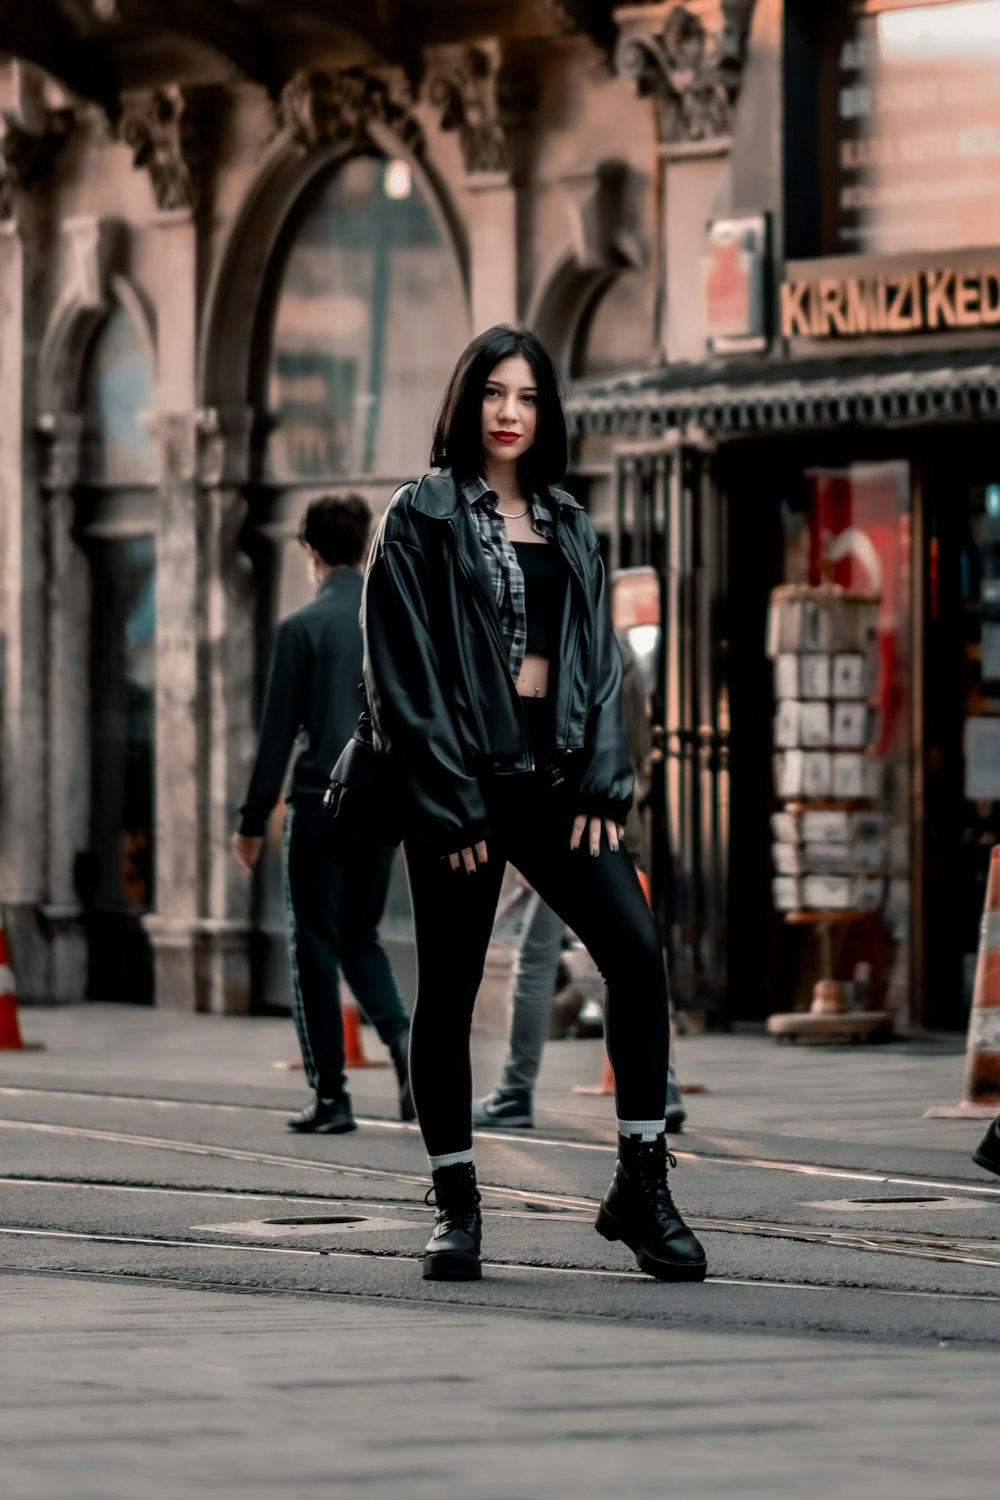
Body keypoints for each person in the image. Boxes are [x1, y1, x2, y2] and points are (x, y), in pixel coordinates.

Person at [356, 325, 706, 1283]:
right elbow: (402, 673)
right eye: (494, 394)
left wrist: (606, 773)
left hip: (555, 785)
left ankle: (642, 1186)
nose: (510, 413)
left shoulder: (568, 522)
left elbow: (597, 665)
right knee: (452, 988)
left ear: (546, 413)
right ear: (466, 402)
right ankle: (456, 1204)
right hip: (464, 787)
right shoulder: (419, 519)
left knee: (635, 952)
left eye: (529, 398)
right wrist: (448, 797)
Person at [232, 494, 413, 1134]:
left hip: (317, 806)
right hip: (383, 808)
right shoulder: (391, 620)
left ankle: (332, 1097)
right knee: (360, 935)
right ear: (367, 547)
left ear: (310, 552)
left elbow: (278, 734)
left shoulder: (300, 628)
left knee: (314, 947)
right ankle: (402, 1042)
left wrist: (252, 821)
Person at [472, 641, 688, 1134]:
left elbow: (531, 735)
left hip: (568, 825)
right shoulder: (620, 652)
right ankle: (664, 1082)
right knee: (626, 955)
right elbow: (634, 745)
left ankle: (515, 1090)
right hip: (612, 817)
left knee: (554, 957)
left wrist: (529, 830)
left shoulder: (553, 642)